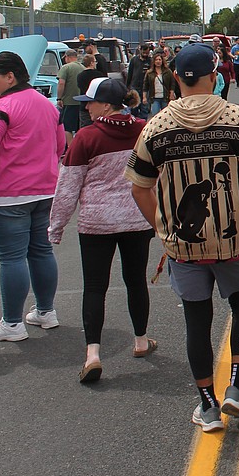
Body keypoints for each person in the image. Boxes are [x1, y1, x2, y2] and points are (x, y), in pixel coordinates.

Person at [127, 43, 239, 432]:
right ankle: (237, 388)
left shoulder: (156, 128)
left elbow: (139, 187)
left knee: (197, 320)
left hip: (184, 245)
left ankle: (207, 405)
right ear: (215, 75)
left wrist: (163, 230)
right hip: (234, 239)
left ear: (175, 77)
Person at [48, 78, 155, 383]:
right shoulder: (144, 130)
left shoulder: (86, 137)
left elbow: (68, 187)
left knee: (95, 287)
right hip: (137, 219)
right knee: (136, 281)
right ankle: (140, 341)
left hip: (97, 223)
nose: (87, 107)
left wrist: (56, 227)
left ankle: (93, 354)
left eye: (90, 102)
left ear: (106, 105)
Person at [0, 51, 67, 342]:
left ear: (10, 77)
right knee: (41, 251)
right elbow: (60, 145)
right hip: (45, 189)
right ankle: (45, 312)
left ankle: (12, 324)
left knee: (11, 258)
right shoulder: (47, 106)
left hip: (7, 194)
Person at [56, 48, 84, 144]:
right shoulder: (83, 67)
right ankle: (79, 146)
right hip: (82, 102)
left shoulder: (65, 68)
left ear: (67, 57)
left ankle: (70, 148)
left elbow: (61, 83)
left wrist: (59, 98)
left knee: (67, 127)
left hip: (69, 101)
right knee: (79, 127)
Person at [143, 52, 177, 117]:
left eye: (159, 59)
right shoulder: (149, 73)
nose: (158, 61)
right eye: (156, 60)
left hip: (165, 97)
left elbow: (172, 83)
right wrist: (144, 97)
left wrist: (171, 93)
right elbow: (145, 86)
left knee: (166, 116)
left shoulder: (167, 71)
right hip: (154, 97)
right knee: (155, 115)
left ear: (162, 61)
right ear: (153, 61)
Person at [126, 45, 153, 118]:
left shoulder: (150, 61)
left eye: (147, 53)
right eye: (144, 52)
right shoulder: (134, 60)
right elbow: (130, 74)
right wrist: (127, 87)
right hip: (134, 87)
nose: (145, 55)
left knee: (144, 109)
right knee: (134, 108)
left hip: (146, 89)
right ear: (140, 50)